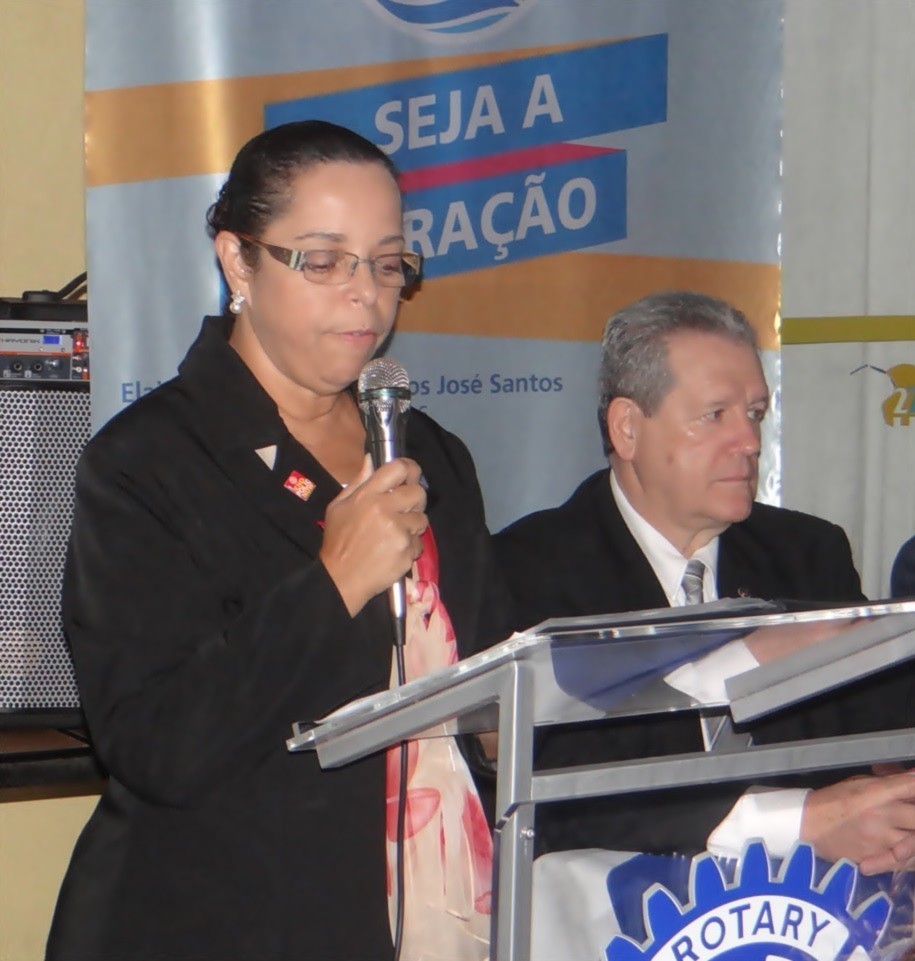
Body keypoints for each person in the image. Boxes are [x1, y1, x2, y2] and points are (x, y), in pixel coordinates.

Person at [47, 120, 507, 961]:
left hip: (415, 912)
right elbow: (155, 744)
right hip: (214, 922)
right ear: (237, 261)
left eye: (387, 264)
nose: (365, 295)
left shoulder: (428, 452)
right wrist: (333, 583)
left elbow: (484, 670)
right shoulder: (147, 462)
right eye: (324, 261)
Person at [495, 290, 915, 875]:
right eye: (715, 415)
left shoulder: (808, 553)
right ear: (628, 429)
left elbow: (883, 722)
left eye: (756, 413)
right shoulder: (525, 569)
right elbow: (557, 791)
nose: (750, 441)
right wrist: (799, 821)